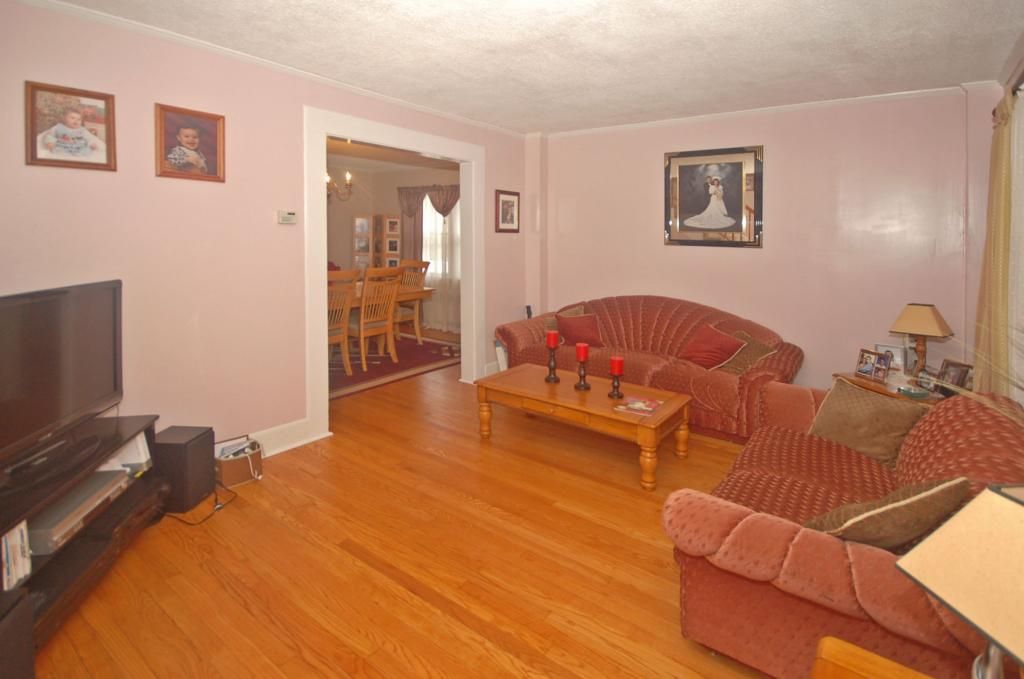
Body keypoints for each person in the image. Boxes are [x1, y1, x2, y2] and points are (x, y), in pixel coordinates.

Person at [37, 107, 105, 160]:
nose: (76, 121)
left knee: (87, 151)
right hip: (63, 146)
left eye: (79, 119)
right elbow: (50, 135)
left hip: (79, 147)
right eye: (72, 118)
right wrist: (50, 143)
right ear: (64, 118)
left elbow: (89, 138)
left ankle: (79, 158)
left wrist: (92, 144)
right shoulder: (58, 127)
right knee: (57, 151)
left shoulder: (82, 130)